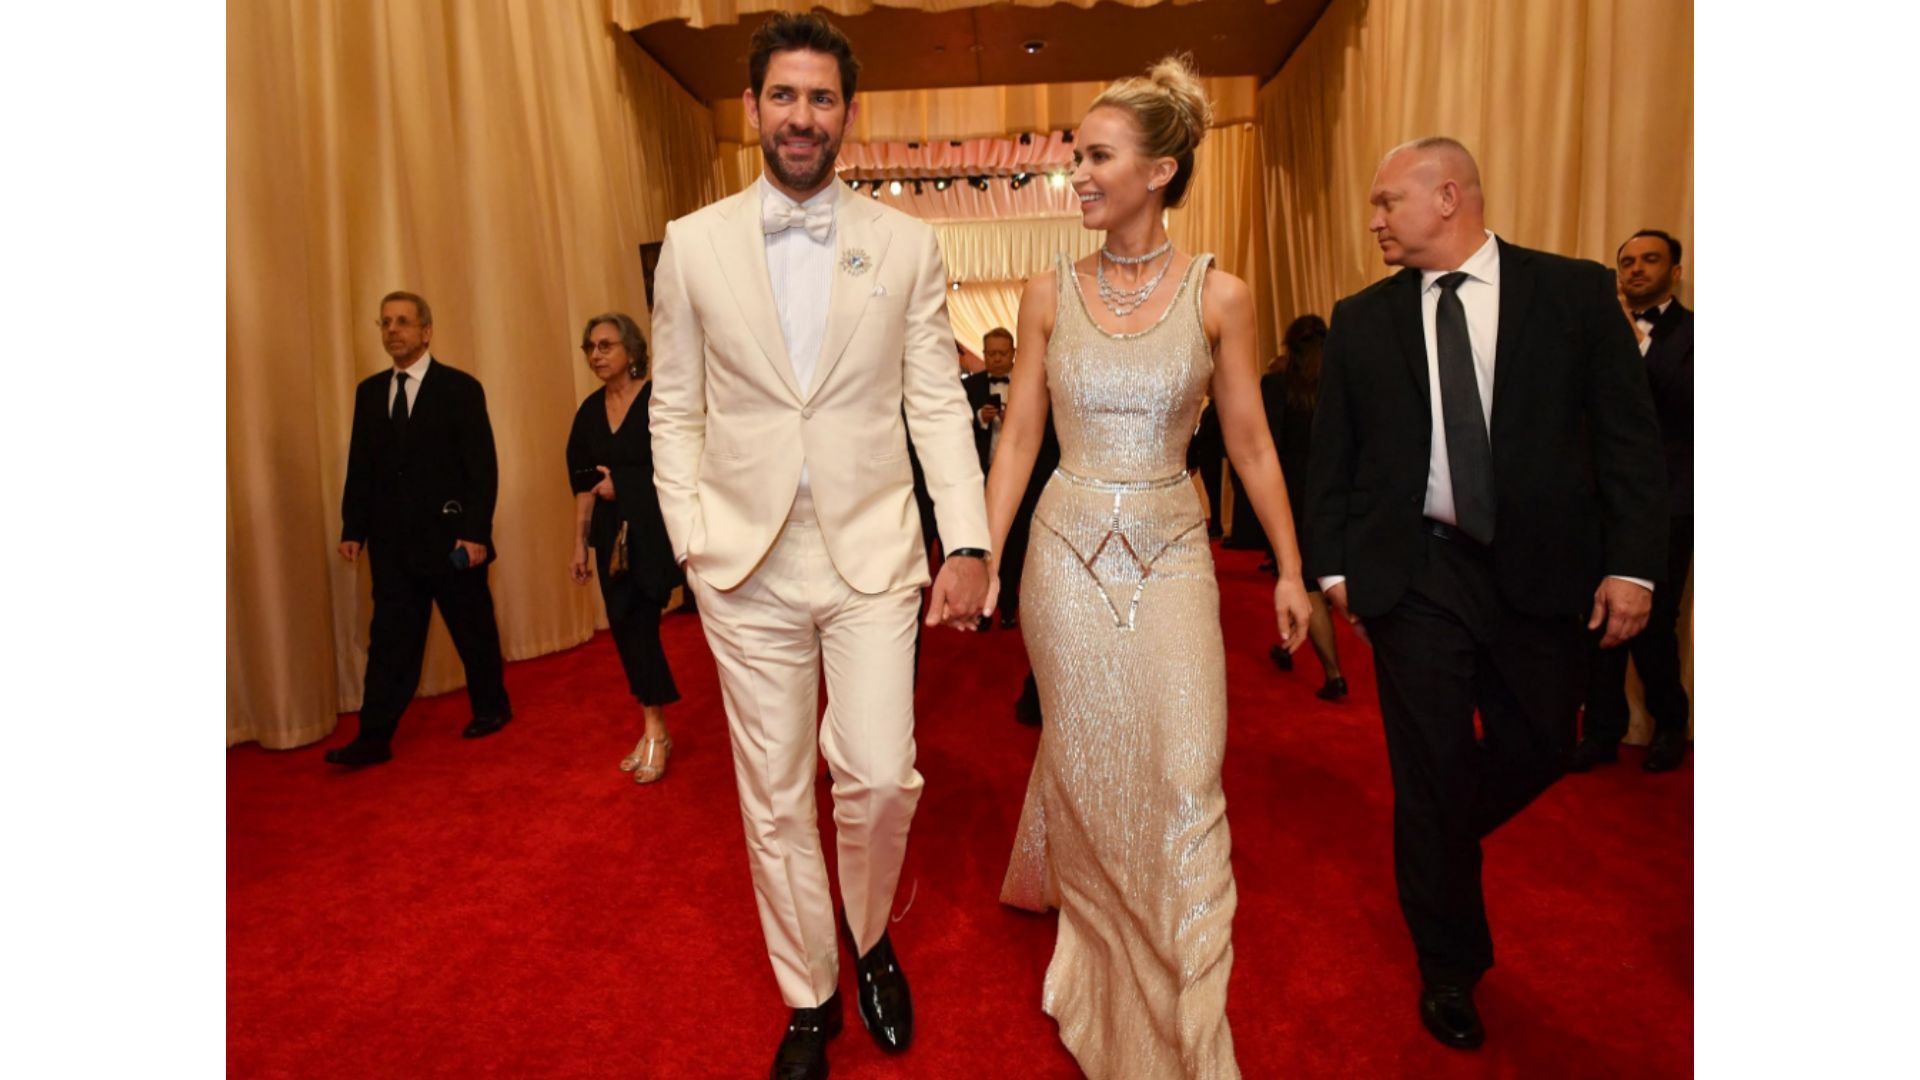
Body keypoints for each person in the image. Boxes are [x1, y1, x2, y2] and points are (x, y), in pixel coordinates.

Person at [646, 14, 991, 1080]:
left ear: (850, 113)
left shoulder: (906, 244)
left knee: (882, 775)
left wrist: (967, 539)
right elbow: (675, 409)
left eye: (823, 98)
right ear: (752, 109)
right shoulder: (692, 244)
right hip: (743, 561)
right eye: (784, 97)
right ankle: (811, 992)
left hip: (873, 554)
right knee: (776, 792)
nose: (803, 116)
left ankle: (872, 925)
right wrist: (694, 540)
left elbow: (935, 402)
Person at [1305, 137, 1667, 1050]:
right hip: (1415, 574)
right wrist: (1336, 568)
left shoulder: (1575, 293)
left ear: (1448, 196)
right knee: (1428, 768)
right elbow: (1334, 457)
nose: (1376, 220)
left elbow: (1629, 440)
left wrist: (1634, 564)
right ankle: (1451, 967)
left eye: (1389, 202)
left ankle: (1437, 839)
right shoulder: (1360, 318)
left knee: (1546, 743)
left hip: (1542, 572)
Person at [990, 57, 1312, 1078]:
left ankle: (1181, 991)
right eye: (1076, 155)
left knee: (1183, 769)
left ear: (1160, 170)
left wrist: (1292, 572)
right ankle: (1100, 943)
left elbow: (1254, 446)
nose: (1077, 173)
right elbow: (1017, 439)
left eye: (1097, 155)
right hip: (1065, 559)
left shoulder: (1223, 292)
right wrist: (981, 557)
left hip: (1175, 556)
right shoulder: (1048, 292)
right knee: (1088, 757)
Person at [329, 291, 512, 767]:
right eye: (385, 322)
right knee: (389, 641)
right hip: (393, 548)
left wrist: (474, 534)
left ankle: (492, 709)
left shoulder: (460, 389)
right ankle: (373, 737)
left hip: (453, 542)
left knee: (473, 630)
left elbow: (482, 468)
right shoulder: (370, 392)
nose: (393, 330)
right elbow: (361, 467)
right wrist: (354, 527)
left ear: (426, 331)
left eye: (403, 322)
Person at [1573, 229, 1694, 774]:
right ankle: (1602, 729)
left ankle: (1671, 723)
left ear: (1675, 270)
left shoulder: (1695, 335)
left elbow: (1678, 403)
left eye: (1650, 260)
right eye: (1627, 261)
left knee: (1652, 622)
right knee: (1597, 621)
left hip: (1670, 503)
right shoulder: (1594, 334)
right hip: (1600, 503)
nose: (1636, 269)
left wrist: (1631, 345)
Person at [565, 313, 683, 784]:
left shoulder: (660, 402)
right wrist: (577, 544)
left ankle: (657, 724)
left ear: (632, 352)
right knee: (627, 626)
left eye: (606, 346)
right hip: (610, 537)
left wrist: (626, 485)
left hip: (658, 528)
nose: (596, 355)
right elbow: (582, 485)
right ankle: (654, 724)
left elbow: (683, 467)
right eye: (590, 347)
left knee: (641, 623)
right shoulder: (588, 412)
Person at [1262, 315, 1348, 701]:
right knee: (1319, 579)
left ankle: (1333, 673)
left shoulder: (1278, 387)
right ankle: (1291, 646)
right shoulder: (1341, 382)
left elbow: (1268, 451)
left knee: (1303, 579)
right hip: (1340, 494)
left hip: (1294, 499)